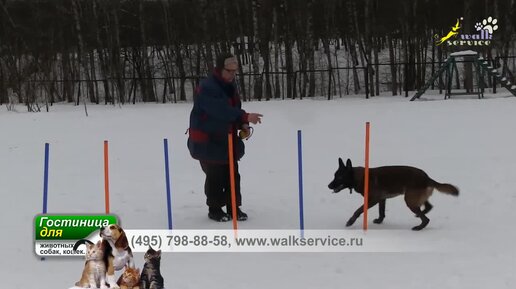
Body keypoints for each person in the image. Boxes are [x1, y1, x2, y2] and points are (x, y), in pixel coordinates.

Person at [187, 53, 263, 222]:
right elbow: (219, 111)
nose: (232, 75)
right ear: (220, 69)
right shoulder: (208, 87)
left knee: (232, 174)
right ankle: (214, 209)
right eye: (229, 71)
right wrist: (245, 117)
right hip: (207, 140)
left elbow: (234, 108)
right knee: (215, 175)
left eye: (235, 72)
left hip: (226, 139)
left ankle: (234, 207)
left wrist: (242, 124)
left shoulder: (230, 85)